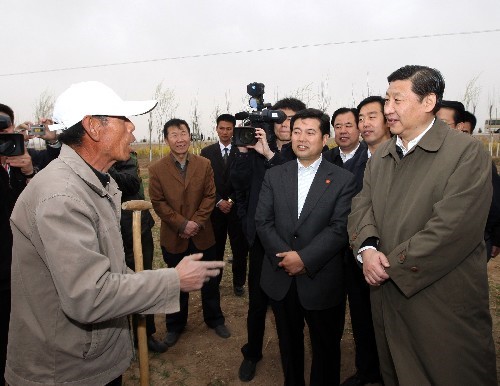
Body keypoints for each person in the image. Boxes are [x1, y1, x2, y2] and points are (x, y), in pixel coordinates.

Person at [5, 81, 224, 386]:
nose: (133, 128)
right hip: (66, 372)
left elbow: (110, 273)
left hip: (89, 361)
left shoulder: (95, 183)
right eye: (123, 119)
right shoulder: (62, 197)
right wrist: (173, 279)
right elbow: (89, 295)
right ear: (93, 127)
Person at [348, 65, 497, 385]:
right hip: (386, 299)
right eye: (387, 99)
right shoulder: (382, 155)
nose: (388, 109)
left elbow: (452, 228)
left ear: (428, 102)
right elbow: (362, 206)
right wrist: (368, 249)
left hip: (439, 301)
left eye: (397, 99)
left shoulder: (466, 152)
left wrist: (391, 265)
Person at [256, 108, 356, 385]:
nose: (302, 138)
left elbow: (340, 228)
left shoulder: (343, 179)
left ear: (325, 139)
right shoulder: (275, 175)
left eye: (310, 132)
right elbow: (263, 222)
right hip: (281, 278)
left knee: (325, 350)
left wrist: (305, 259)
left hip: (322, 279)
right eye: (297, 131)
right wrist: (286, 258)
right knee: (289, 347)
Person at [231, 98, 306, 382]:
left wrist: (270, 154)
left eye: (291, 120)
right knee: (257, 303)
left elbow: (295, 185)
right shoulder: (256, 149)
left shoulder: (302, 152)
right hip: (261, 241)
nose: (285, 125)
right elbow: (238, 183)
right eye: (280, 119)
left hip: (293, 245)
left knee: (289, 309)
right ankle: (252, 352)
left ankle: (292, 361)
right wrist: (241, 150)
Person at [149, 118, 230, 348]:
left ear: (189, 135)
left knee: (210, 279)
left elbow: (209, 196)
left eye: (183, 133)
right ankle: (175, 325)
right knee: (176, 282)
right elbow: (158, 202)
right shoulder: (156, 169)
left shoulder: (204, 164)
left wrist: (195, 222)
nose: (180, 139)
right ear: (166, 140)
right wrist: (181, 224)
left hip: (203, 233)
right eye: (174, 135)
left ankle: (215, 319)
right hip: (175, 236)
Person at [0, 103, 60, 384]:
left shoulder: (29, 157)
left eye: (6, 129)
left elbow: (50, 196)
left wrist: (28, 173)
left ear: (14, 130)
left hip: (27, 260)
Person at [109, 152, 168, 353]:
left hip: (134, 228)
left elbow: (131, 184)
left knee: (142, 280)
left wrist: (103, 168)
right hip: (104, 230)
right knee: (111, 285)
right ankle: (119, 339)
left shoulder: (124, 156)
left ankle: (145, 334)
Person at [200, 114, 248, 296]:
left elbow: (244, 180)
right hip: (215, 209)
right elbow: (205, 182)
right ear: (216, 129)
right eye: (222, 128)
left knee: (239, 249)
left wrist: (231, 201)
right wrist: (219, 201)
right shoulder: (206, 153)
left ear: (234, 130)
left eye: (229, 129)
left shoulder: (243, 150)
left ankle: (238, 283)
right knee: (215, 248)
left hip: (237, 209)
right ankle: (215, 281)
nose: (225, 132)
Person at [324, 107, 367, 189]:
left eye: (348, 126)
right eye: (338, 127)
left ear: (359, 129)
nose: (343, 131)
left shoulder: (369, 157)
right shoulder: (325, 159)